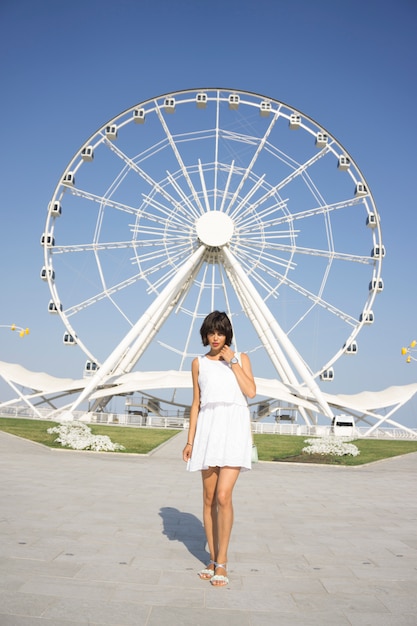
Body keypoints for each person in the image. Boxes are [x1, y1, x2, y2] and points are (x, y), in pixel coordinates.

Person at [182, 311, 256, 587]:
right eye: (212, 332)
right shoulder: (198, 363)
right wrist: (190, 441)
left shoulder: (242, 358)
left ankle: (222, 562)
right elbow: (196, 403)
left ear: (227, 335)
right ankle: (212, 560)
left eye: (221, 332)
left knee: (224, 496)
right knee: (209, 498)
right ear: (205, 334)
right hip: (208, 430)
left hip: (233, 430)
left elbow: (251, 391)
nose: (216, 337)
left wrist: (232, 360)